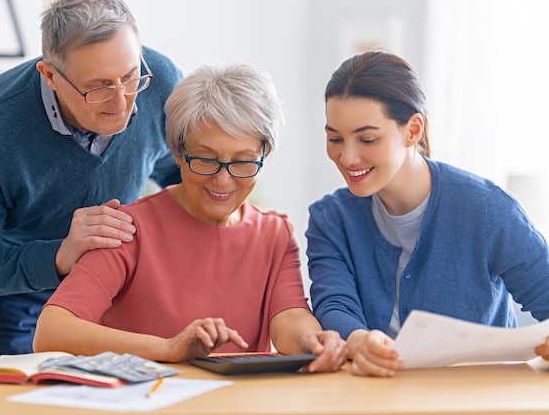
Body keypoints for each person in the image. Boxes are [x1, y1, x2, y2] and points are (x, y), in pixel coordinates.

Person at [33, 63, 348, 372]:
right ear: (178, 152)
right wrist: (167, 349)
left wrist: (312, 341)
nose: (223, 181)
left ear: (265, 154)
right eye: (206, 160)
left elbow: (288, 316)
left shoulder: (274, 233)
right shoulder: (129, 229)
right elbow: (52, 331)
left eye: (243, 162)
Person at [0, 0, 183, 356]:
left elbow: (180, 172)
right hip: (8, 308)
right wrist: (61, 255)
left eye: (129, 77)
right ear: (50, 76)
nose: (122, 102)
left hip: (111, 295)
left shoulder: (160, 81)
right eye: (97, 87)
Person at [306, 50, 549, 377]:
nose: (347, 157)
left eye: (367, 138)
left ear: (413, 129)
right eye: (335, 138)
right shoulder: (330, 219)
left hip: (480, 397)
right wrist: (359, 341)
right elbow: (333, 304)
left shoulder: (486, 209)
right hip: (373, 395)